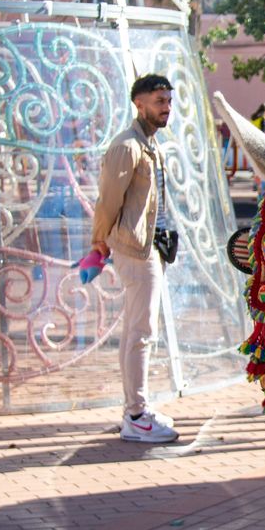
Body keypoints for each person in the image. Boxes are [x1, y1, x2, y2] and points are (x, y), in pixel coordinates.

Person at [91, 75, 181, 443]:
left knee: (138, 332)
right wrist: (99, 242)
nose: (166, 107)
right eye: (159, 100)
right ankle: (136, 415)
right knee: (140, 333)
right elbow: (108, 201)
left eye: (169, 100)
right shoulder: (127, 147)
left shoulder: (148, 145)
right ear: (139, 104)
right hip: (135, 250)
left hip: (149, 248)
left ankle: (135, 409)